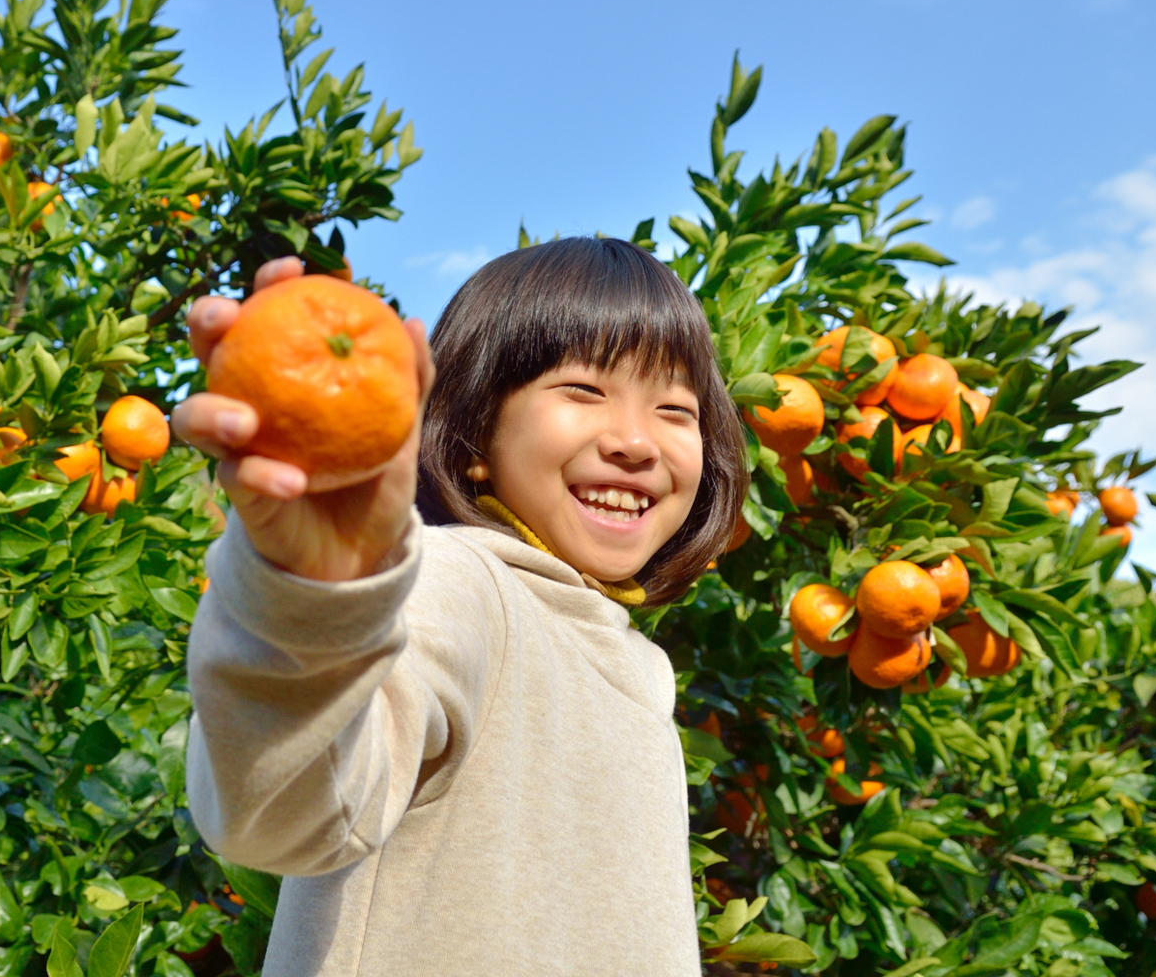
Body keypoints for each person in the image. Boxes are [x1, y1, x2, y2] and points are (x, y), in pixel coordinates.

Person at [172, 236, 748, 976]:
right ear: (476, 434)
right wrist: (309, 593)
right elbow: (282, 808)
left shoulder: (638, 671)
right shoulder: (465, 588)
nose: (636, 441)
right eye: (583, 391)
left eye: (675, 408)